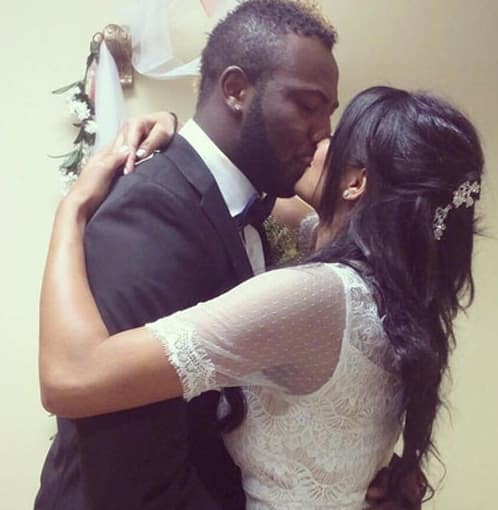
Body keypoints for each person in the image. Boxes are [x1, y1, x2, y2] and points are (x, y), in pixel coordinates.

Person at [39, 85, 484, 509]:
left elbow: (71, 377)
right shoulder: (390, 291)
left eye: (335, 137)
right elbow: (238, 189)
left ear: (355, 182)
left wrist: (72, 209)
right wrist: (183, 135)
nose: (317, 141)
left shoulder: (314, 297)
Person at [35, 1, 338, 509]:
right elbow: (130, 468)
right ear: (236, 89)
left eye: (328, 112)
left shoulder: (242, 203)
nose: (323, 132)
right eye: (309, 106)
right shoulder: (153, 208)